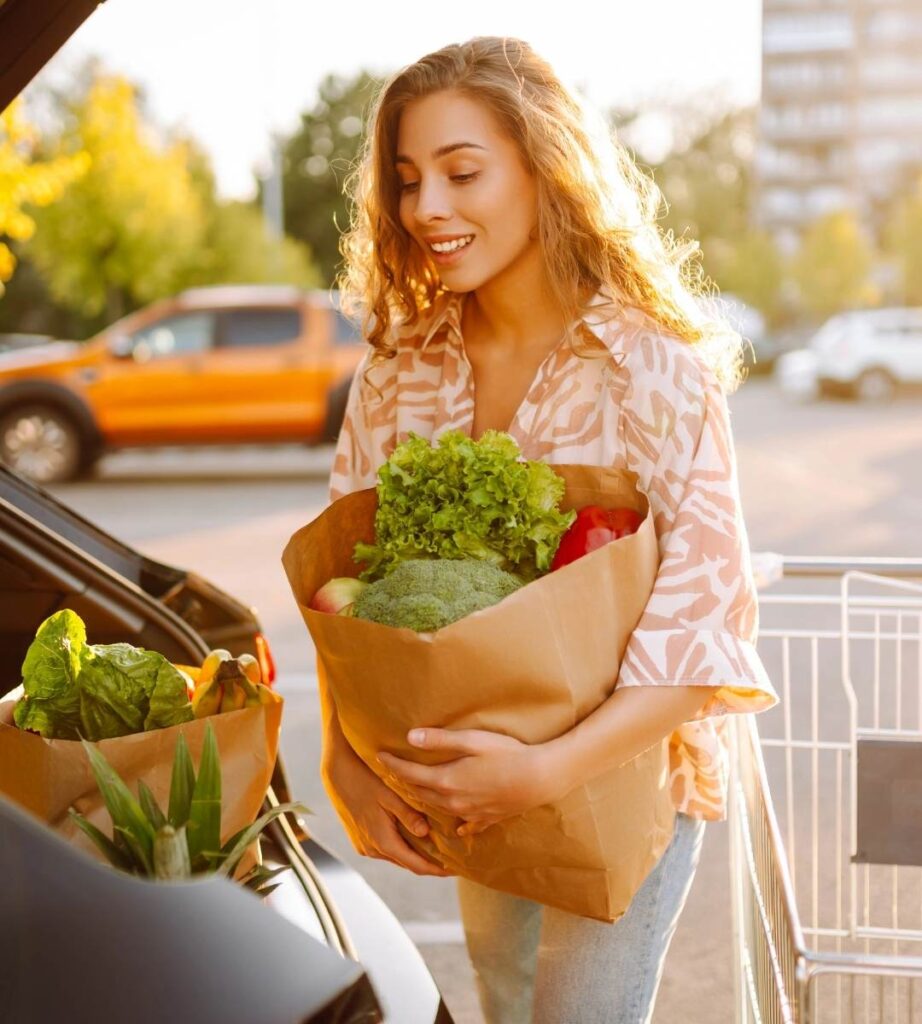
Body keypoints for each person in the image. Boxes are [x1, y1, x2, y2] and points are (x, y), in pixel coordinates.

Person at [322, 36, 778, 1024]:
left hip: (622, 776)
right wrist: (341, 759)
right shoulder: (399, 365)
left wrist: (540, 771)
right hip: (476, 770)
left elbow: (702, 632)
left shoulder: (652, 365)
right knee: (507, 1001)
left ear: (545, 167)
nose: (426, 208)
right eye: (406, 180)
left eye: (461, 172)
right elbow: (342, 588)